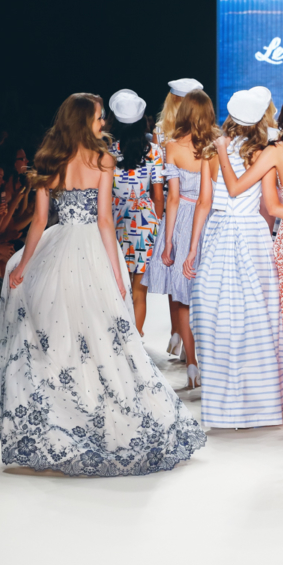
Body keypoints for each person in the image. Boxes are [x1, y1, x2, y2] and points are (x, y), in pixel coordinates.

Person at [0, 93, 205, 476]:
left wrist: (24, 265)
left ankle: (62, 425)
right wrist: (116, 273)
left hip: (56, 254)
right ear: (82, 121)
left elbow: (39, 222)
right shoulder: (102, 159)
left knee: (58, 343)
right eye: (97, 117)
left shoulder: (48, 162)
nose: (102, 122)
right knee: (102, 340)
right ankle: (98, 417)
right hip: (90, 251)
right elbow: (105, 221)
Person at [191, 89, 283, 430]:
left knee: (228, 320)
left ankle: (246, 403)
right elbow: (271, 205)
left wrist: (193, 247)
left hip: (234, 237)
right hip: (269, 238)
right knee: (278, 322)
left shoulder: (263, 151)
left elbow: (217, 201)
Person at [141, 89, 217, 388]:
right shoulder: (215, 146)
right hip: (212, 221)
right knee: (210, 294)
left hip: (183, 220)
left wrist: (169, 239)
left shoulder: (171, 146)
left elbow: (172, 198)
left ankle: (193, 363)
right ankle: (212, 360)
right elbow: (211, 195)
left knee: (181, 296)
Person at [107, 90, 164, 336]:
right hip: (145, 223)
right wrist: (158, 226)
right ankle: (136, 343)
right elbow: (158, 195)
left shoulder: (107, 153)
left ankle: (121, 343)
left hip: (114, 223)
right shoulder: (154, 151)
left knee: (118, 288)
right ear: (143, 122)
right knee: (139, 291)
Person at [152, 78, 202, 357]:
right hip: (196, 206)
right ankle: (185, 340)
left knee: (176, 277)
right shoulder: (206, 134)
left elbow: (162, 182)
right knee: (192, 275)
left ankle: (178, 333)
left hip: (176, 205)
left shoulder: (163, 134)